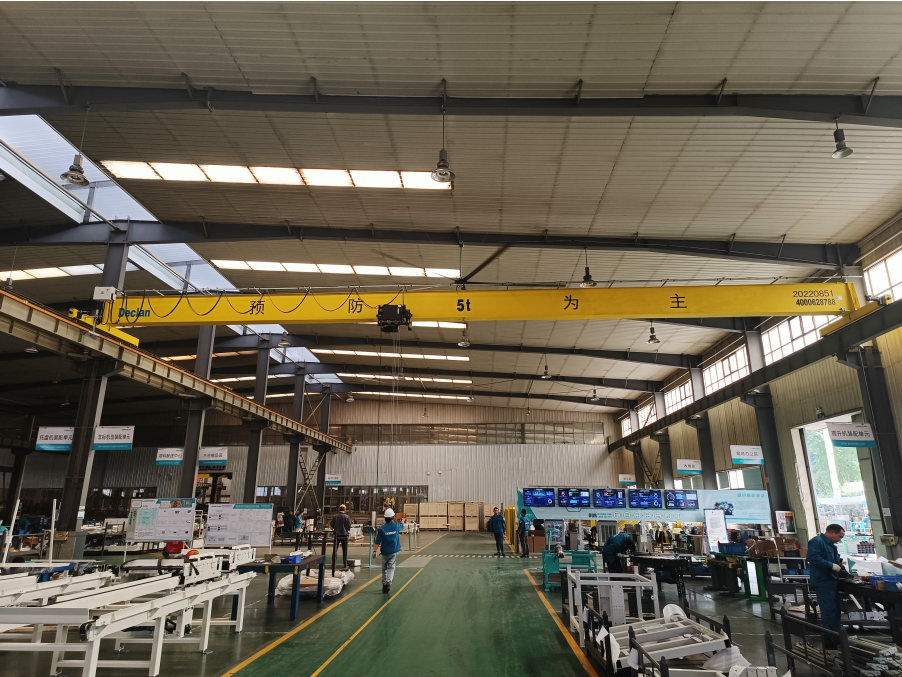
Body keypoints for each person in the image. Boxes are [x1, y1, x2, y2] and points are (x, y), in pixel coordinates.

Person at [808, 524, 848, 646]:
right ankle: (829, 640)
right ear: (832, 532)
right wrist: (831, 565)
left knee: (836, 611)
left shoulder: (831, 545)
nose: (840, 540)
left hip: (831, 581)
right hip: (822, 581)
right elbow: (813, 557)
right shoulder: (817, 542)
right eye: (839, 536)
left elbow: (835, 560)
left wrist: (839, 565)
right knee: (828, 611)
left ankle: (835, 637)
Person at [373, 508, 404, 593]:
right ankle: (388, 583)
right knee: (391, 568)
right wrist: (402, 521)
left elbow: (377, 541)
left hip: (384, 552)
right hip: (393, 551)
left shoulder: (382, 528)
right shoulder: (396, 526)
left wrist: (374, 551)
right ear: (393, 517)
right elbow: (402, 525)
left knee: (384, 569)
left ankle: (384, 584)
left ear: (385, 518)